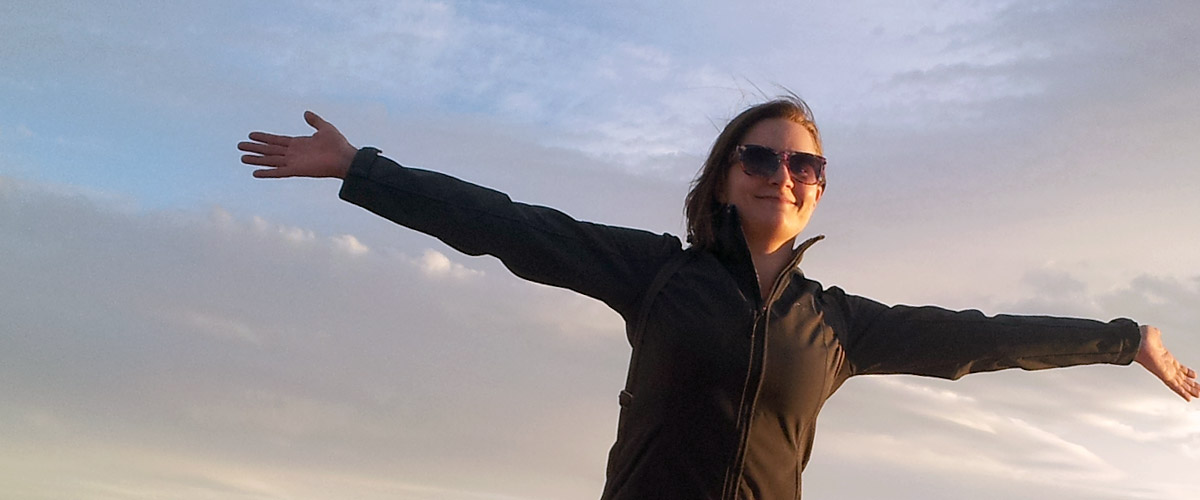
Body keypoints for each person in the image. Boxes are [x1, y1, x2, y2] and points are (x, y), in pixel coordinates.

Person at [238, 97, 1197, 500]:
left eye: (803, 162)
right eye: (763, 156)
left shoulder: (840, 328)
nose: (783, 171)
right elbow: (508, 224)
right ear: (728, 174)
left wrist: (1126, 340)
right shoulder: (655, 273)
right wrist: (360, 168)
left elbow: (981, 340)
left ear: (818, 185)